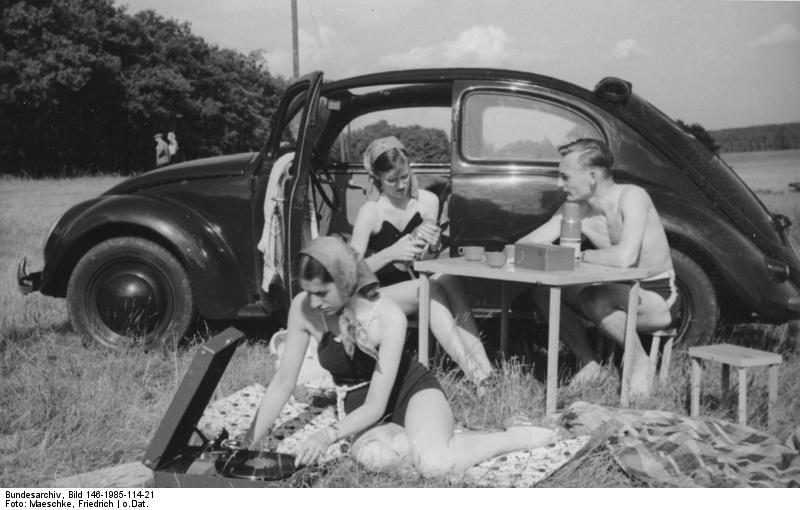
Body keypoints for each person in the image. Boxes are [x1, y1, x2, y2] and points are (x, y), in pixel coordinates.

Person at [246, 236, 554, 475]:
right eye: (309, 291)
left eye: (322, 292)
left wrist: (327, 436)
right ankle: (425, 440)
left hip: (412, 392)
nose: (314, 301)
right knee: (375, 458)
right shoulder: (304, 307)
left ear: (345, 281)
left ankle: (515, 437)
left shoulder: (387, 316)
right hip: (359, 407)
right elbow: (283, 383)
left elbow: (378, 403)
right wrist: (248, 443)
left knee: (435, 466)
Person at [517, 138, 677, 398]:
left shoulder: (632, 196)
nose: (559, 185)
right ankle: (589, 363)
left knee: (594, 298)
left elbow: (625, 258)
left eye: (565, 177)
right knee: (542, 291)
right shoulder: (576, 208)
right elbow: (526, 243)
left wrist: (578, 256)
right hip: (614, 289)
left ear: (592, 176)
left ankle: (640, 364)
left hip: (656, 294)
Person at [349, 136, 492, 385]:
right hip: (373, 295)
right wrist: (390, 253)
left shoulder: (428, 202)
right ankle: (474, 374)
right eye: (391, 180)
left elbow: (426, 260)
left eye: (404, 176)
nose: (400, 185)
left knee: (447, 278)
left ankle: (488, 373)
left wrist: (434, 245)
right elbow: (348, 274)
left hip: (415, 283)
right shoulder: (371, 212)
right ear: (377, 179)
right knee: (427, 287)